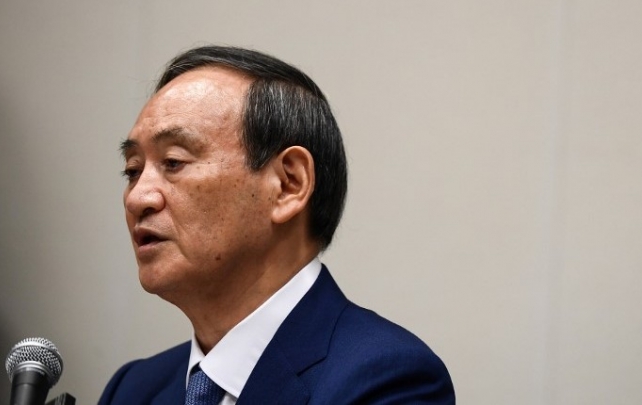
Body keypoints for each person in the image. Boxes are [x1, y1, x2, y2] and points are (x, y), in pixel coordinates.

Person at [99, 46, 455, 405]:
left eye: (174, 162)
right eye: (132, 170)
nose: (137, 198)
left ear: (288, 185)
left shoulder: (389, 380)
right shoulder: (131, 389)